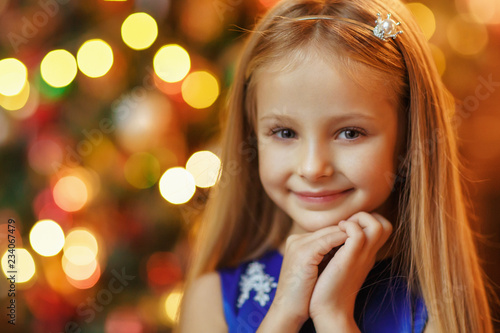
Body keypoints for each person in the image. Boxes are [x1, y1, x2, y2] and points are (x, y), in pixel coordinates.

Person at [177, 0, 493, 332]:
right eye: (285, 132)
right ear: (253, 136)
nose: (313, 168)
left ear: (408, 138)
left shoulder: (438, 305)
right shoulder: (213, 298)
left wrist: (333, 316)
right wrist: (284, 315)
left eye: (349, 133)